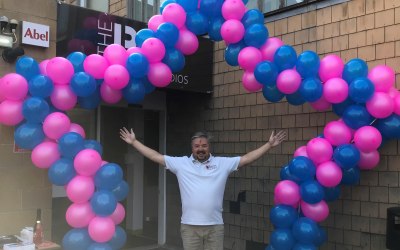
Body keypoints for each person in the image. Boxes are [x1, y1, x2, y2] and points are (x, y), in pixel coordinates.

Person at [119, 128, 286, 250]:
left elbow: (246, 159)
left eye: (204, 145)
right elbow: (155, 156)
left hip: (215, 227)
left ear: (209, 147)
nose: (200, 149)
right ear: (192, 148)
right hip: (189, 227)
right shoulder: (181, 164)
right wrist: (134, 142)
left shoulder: (222, 163)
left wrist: (269, 145)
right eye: (197, 146)